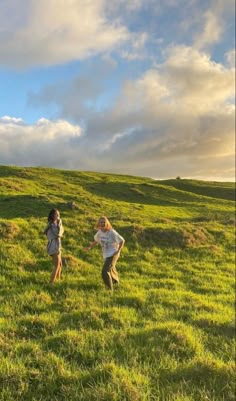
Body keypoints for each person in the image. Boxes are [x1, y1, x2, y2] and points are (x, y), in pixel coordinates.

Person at [84, 216, 125, 291]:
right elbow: (96, 241)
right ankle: (115, 283)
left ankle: (110, 289)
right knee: (111, 269)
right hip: (106, 254)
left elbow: (122, 240)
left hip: (113, 253)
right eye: (101, 222)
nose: (102, 223)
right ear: (98, 224)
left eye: (104, 222)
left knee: (105, 271)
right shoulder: (99, 233)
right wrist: (89, 247)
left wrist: (118, 251)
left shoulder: (111, 232)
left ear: (107, 223)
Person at [44, 208, 64, 284]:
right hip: (53, 246)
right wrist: (59, 224)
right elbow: (57, 234)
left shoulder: (57, 224)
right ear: (52, 215)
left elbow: (61, 232)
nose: (58, 216)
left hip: (58, 246)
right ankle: (51, 283)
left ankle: (58, 281)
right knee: (57, 265)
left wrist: (59, 224)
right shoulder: (51, 225)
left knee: (60, 264)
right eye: (56, 214)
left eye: (59, 214)